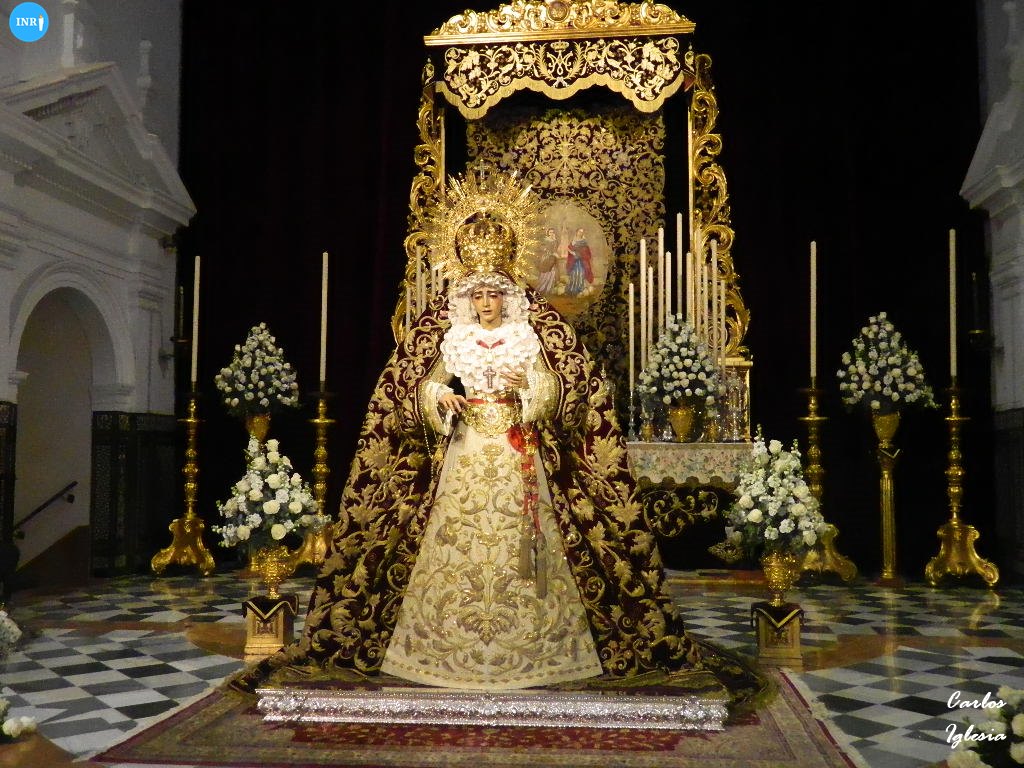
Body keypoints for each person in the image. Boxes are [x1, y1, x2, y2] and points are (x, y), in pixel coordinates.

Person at [230, 173, 763, 704]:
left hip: (517, 446)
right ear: (467, 296)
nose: (486, 302)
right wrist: (440, 399)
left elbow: (559, 384)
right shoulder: (453, 334)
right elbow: (423, 382)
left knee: (526, 537)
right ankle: (441, 642)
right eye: (478, 294)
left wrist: (527, 389)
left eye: (493, 293)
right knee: (454, 538)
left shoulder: (530, 333)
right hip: (464, 447)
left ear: (507, 295)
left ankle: (541, 643)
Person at [565, 226, 594, 296]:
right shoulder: (573, 241)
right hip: (574, 261)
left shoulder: (584, 241)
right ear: (576, 232)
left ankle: (580, 288)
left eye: (582, 232)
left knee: (581, 273)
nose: (580, 233)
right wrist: (572, 253)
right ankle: (573, 289)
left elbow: (587, 251)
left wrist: (581, 254)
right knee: (574, 274)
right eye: (579, 231)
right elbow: (569, 248)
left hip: (582, 261)